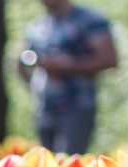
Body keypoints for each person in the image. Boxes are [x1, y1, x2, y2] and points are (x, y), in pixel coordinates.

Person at [19, 0, 117, 154]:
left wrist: (67, 66)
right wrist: (34, 85)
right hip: (45, 108)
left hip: (76, 107)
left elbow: (109, 60)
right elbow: (23, 62)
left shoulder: (91, 21)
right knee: (45, 162)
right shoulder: (38, 27)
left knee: (70, 159)